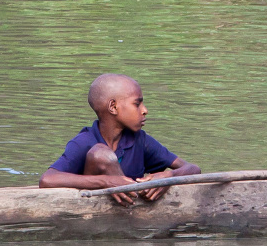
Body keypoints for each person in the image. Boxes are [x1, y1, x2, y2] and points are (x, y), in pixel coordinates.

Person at [39, 74, 200, 206]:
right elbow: (47, 179)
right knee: (101, 154)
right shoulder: (84, 141)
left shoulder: (141, 140)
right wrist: (107, 182)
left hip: (134, 215)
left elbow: (193, 169)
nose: (145, 110)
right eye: (137, 104)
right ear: (113, 107)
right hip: (91, 212)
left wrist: (169, 177)